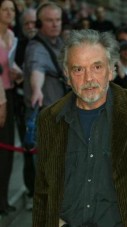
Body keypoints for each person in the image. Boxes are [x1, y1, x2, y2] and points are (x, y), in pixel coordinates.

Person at [33, 29, 127, 227]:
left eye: (97, 67)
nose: (88, 78)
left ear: (111, 70)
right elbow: (44, 192)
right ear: (67, 76)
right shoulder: (50, 119)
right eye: (78, 69)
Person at [0, 0, 23, 216]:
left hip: (8, 95)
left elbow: (11, 65)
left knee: (6, 152)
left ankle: (3, 200)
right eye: (5, 9)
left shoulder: (12, 37)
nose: (9, 13)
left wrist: (19, 74)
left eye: (12, 10)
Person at [14, 8, 37, 211]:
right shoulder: (18, 46)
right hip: (25, 107)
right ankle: (32, 192)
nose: (30, 27)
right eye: (26, 24)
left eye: (33, 23)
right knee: (29, 149)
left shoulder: (49, 44)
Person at [23, 2, 65, 111]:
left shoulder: (60, 42)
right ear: (39, 24)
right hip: (44, 113)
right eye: (49, 20)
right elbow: (37, 68)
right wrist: (37, 89)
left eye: (58, 19)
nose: (55, 24)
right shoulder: (36, 47)